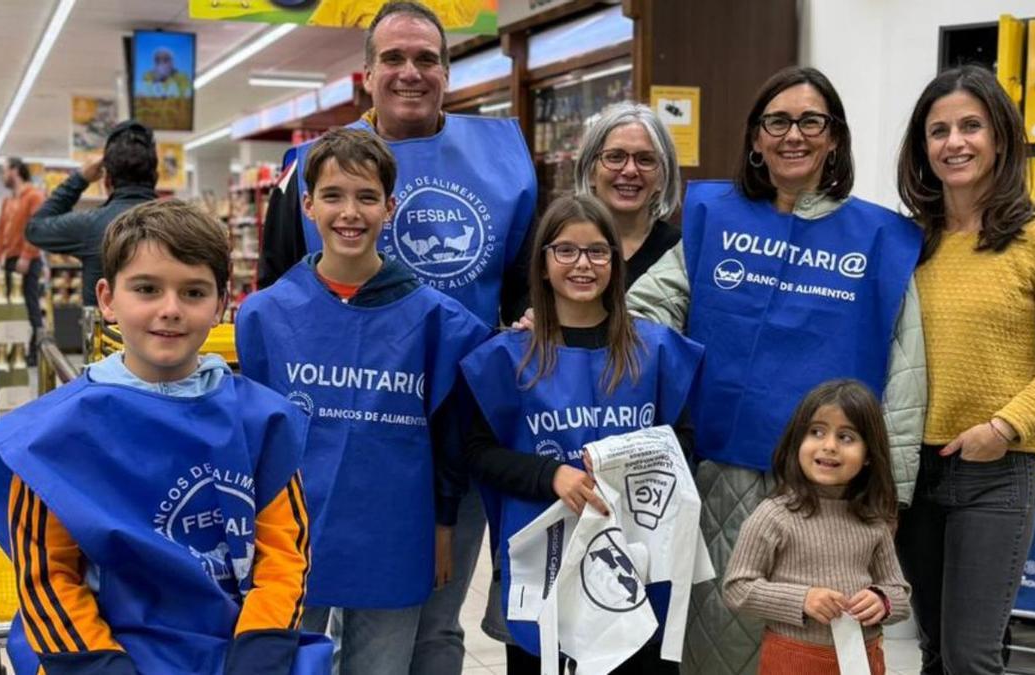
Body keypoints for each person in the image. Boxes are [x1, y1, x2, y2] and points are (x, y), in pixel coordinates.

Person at [259, 4, 538, 673]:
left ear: (448, 70)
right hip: (330, 433)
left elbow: (526, 284)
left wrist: (529, 325)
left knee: (434, 626)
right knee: (300, 619)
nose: (410, 72)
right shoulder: (312, 169)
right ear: (366, 73)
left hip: (454, 427)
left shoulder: (505, 163)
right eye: (393, 58)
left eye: (426, 59)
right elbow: (277, 293)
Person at [626, 66, 925, 675]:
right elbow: (645, 311)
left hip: (834, 495)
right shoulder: (716, 221)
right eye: (778, 121)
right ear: (756, 139)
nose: (795, 134)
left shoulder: (880, 240)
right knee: (722, 650)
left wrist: (893, 494)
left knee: (819, 650)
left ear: (834, 137)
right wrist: (564, 329)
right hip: (727, 477)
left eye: (811, 121)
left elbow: (908, 373)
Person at [0, 200, 330, 674]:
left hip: (237, 646)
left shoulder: (260, 421)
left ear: (221, 304)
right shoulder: (51, 438)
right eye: (147, 289)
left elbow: (284, 554)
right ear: (107, 299)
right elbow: (48, 576)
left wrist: (258, 653)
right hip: (102, 650)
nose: (170, 310)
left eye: (193, 292)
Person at [236, 128, 491, 675]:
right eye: (332, 196)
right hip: (289, 538)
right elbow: (251, 438)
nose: (349, 212)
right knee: (287, 664)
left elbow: (450, 436)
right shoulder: (264, 316)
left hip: (394, 533)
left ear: (390, 207)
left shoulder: (438, 322)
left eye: (367, 197)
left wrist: (444, 524)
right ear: (307, 205)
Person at [894, 64, 1035, 675]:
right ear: (923, 149)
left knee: (971, 657)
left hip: (996, 471)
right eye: (938, 130)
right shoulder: (910, 240)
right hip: (914, 473)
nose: (954, 142)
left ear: (999, 137)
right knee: (931, 651)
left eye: (970, 126)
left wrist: (1002, 427)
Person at [460, 194, 703, 674]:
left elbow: (686, 443)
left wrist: (633, 464)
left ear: (615, 261)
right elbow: (478, 452)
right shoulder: (507, 357)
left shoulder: (656, 351)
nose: (582, 264)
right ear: (543, 262)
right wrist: (552, 476)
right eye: (566, 250)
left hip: (636, 560)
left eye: (597, 251)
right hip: (542, 557)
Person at [723, 379, 911, 675]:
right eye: (816, 432)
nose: (829, 446)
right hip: (792, 660)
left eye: (847, 437)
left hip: (863, 660)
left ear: (869, 456)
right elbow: (736, 588)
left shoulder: (874, 520)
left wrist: (882, 601)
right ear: (797, 441)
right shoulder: (774, 515)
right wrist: (802, 599)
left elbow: (899, 593)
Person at [27, 120, 160, 308]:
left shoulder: (91, 225)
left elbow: (35, 228)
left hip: (105, 334)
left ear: (107, 181)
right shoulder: (185, 226)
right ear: (156, 177)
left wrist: (80, 178)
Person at [574, 102, 683, 287]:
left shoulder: (681, 251)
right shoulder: (561, 243)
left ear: (663, 177)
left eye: (646, 159)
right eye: (615, 157)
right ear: (590, 172)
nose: (631, 170)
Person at [0, 157, 45, 364]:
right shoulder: (8, 200)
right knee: (10, 308)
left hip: (28, 261)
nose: (2, 175)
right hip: (9, 260)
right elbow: (0, 230)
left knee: (31, 306)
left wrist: (26, 255)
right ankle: (14, 350)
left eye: (4, 171)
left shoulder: (33, 196)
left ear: (15, 171)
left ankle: (35, 352)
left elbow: (37, 228)